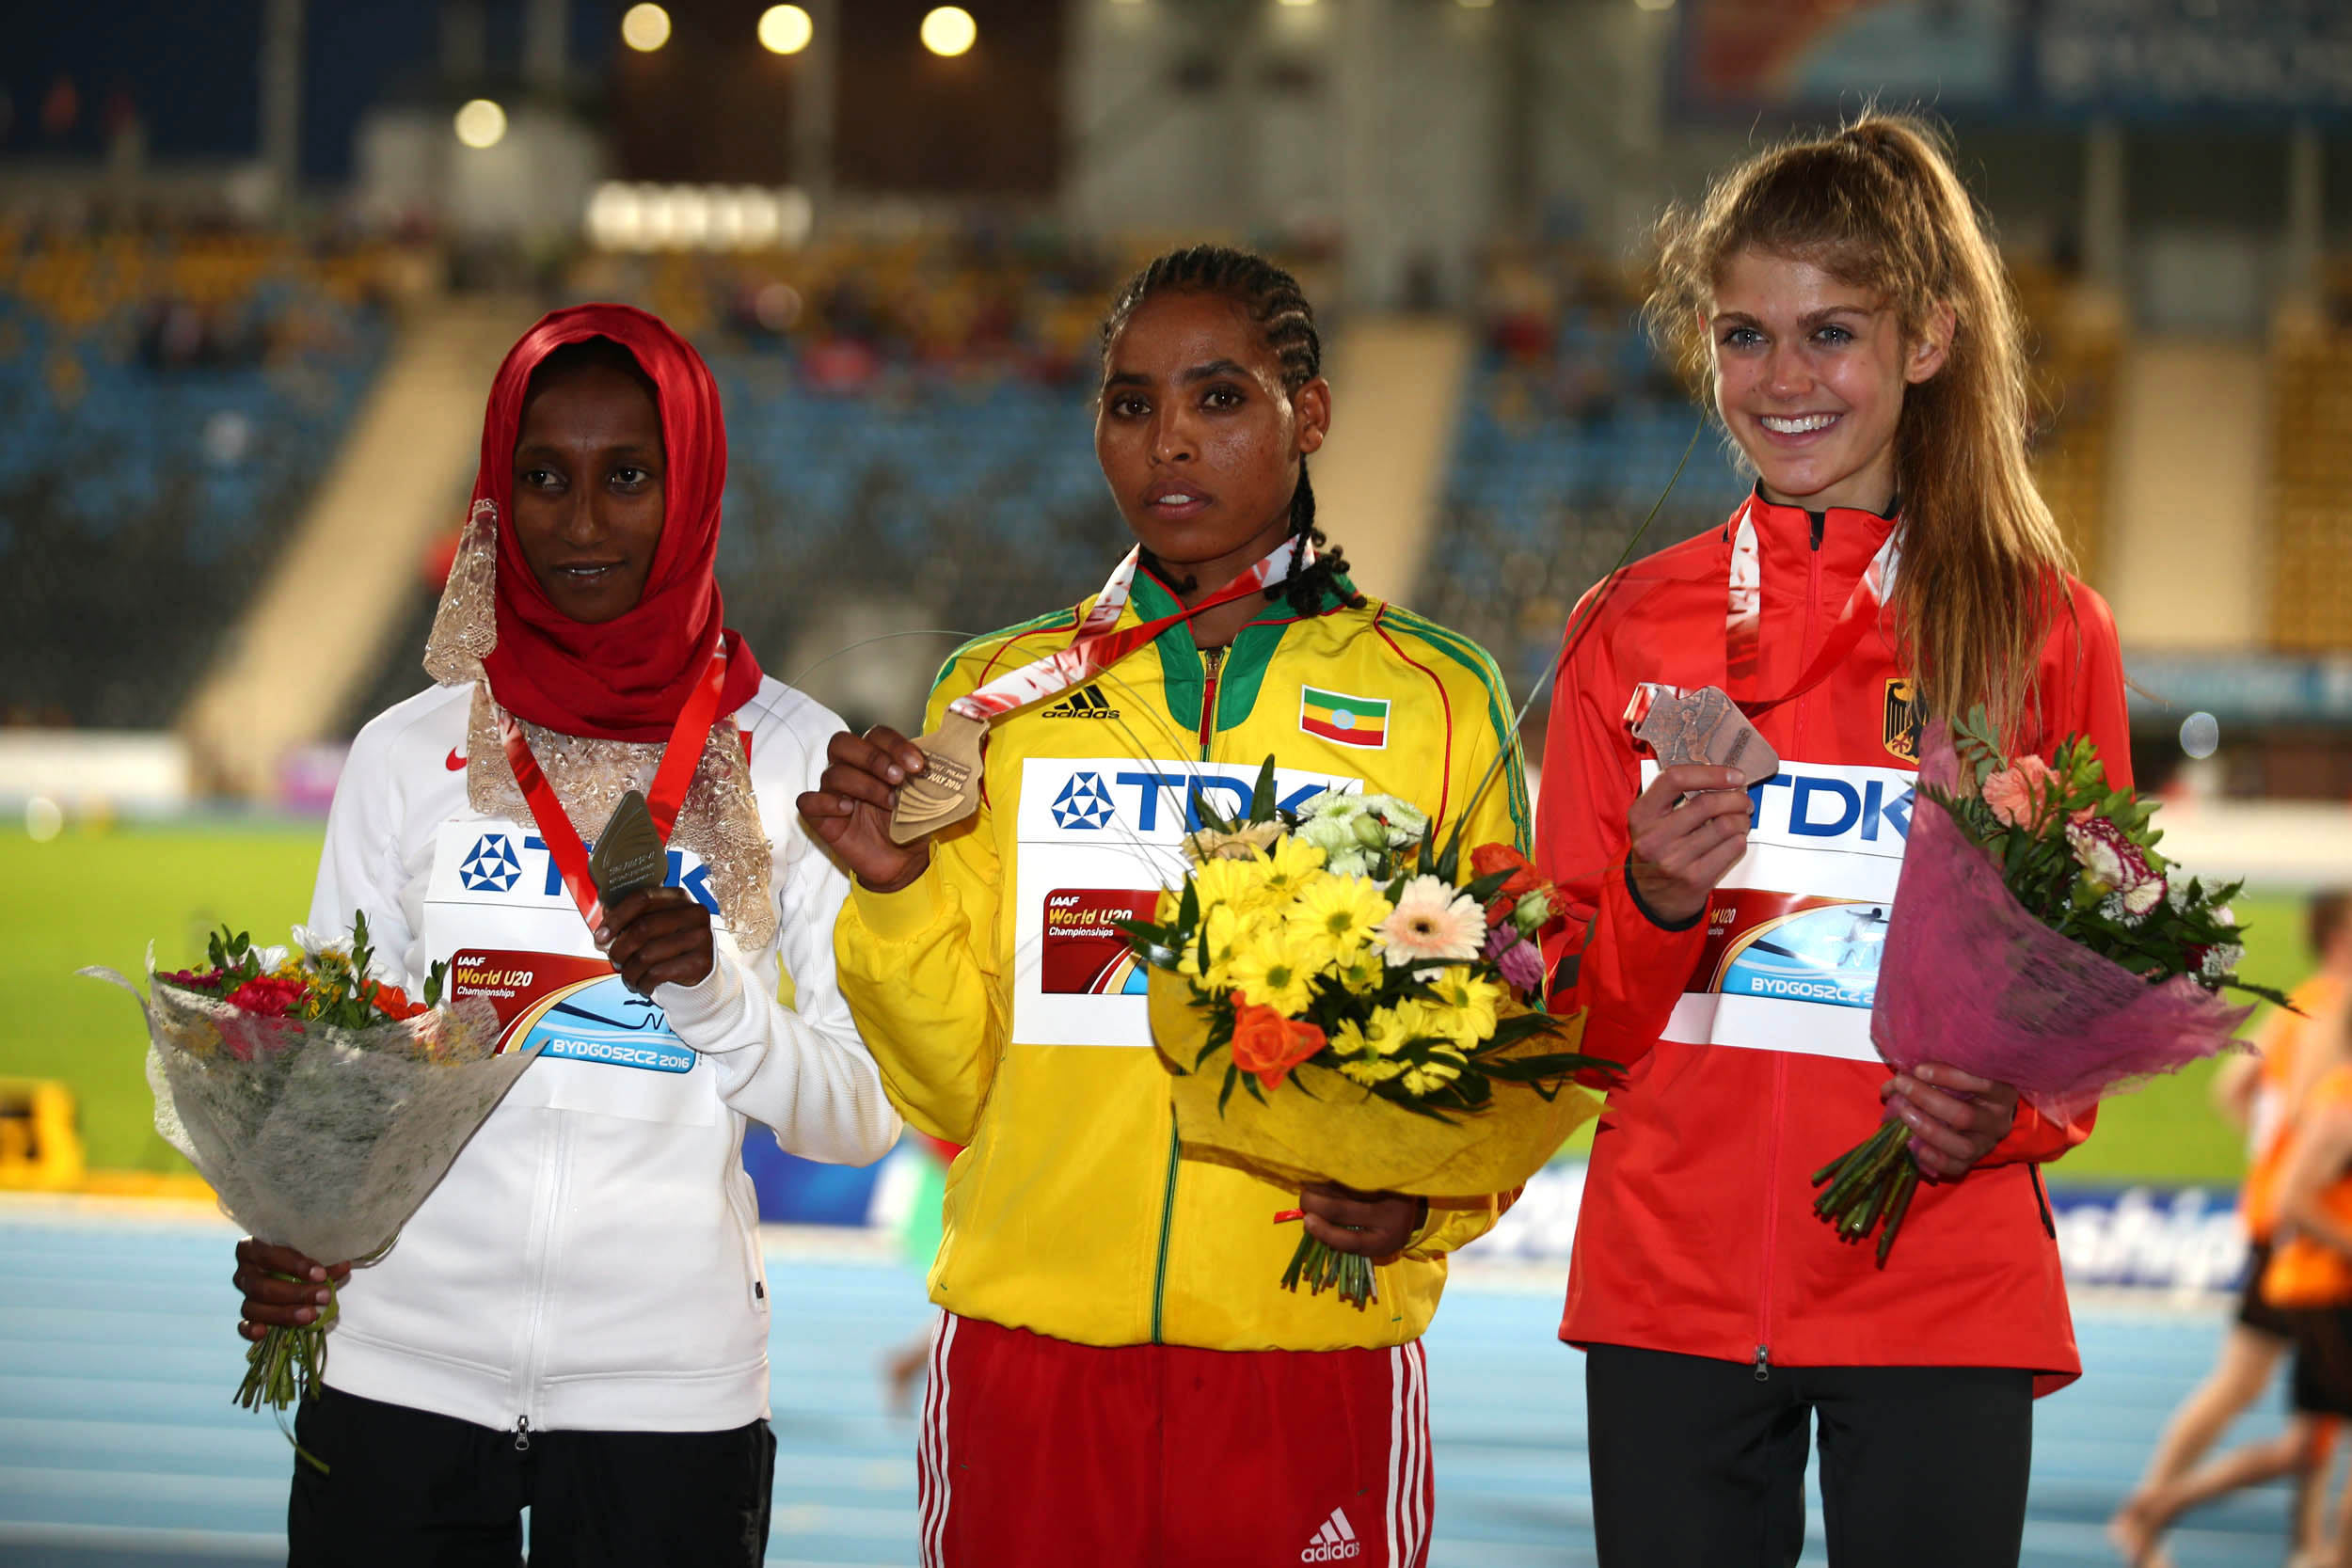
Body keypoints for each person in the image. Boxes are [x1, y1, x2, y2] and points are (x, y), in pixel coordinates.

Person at [798, 245, 1526, 1566]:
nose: (1169, 441)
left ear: (1309, 415)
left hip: (1304, 1362)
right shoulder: (997, 699)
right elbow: (949, 1086)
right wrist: (893, 894)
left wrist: (1429, 1205)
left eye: (1219, 398)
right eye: (1130, 404)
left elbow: (1510, 1028)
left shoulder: (1434, 697)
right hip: (1030, 1362)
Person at [1534, 116, 2131, 1566]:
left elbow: (2100, 975)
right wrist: (1651, 901)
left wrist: (2011, 1113)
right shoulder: (1628, 626)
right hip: (1673, 1288)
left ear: (1927, 339)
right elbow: (1562, 1014)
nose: (1782, 378)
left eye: (1832, 332)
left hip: (1941, 1280)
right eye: (1745, 334)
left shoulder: (2045, 629)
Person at [231, 304, 901, 1565]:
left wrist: (717, 1000)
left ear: (692, 488)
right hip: (399, 1373)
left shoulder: (799, 760)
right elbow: (334, 1071)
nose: (583, 521)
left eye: (627, 477)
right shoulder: (404, 752)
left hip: (669, 1394)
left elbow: (862, 1113)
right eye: (544, 477)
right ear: (497, 494)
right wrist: (289, 1223)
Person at [2110, 892, 2352, 1568]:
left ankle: (2306, 1543)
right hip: (2306, 1224)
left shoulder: (2299, 1001)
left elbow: (2231, 1091)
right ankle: (2154, 1511)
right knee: (2283, 1401)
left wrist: (2270, 1157)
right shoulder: (2334, 1006)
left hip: (2280, 1212)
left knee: (2301, 1405)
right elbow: (2311, 1109)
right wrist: (2308, 1161)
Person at [2265, 983, 2352, 1568]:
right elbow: (2291, 1198)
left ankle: (2313, 1552)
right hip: (2320, 1289)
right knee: (2305, 1448)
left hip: (2331, 1287)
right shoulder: (2341, 1103)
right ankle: (2153, 1508)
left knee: (2308, 1448)